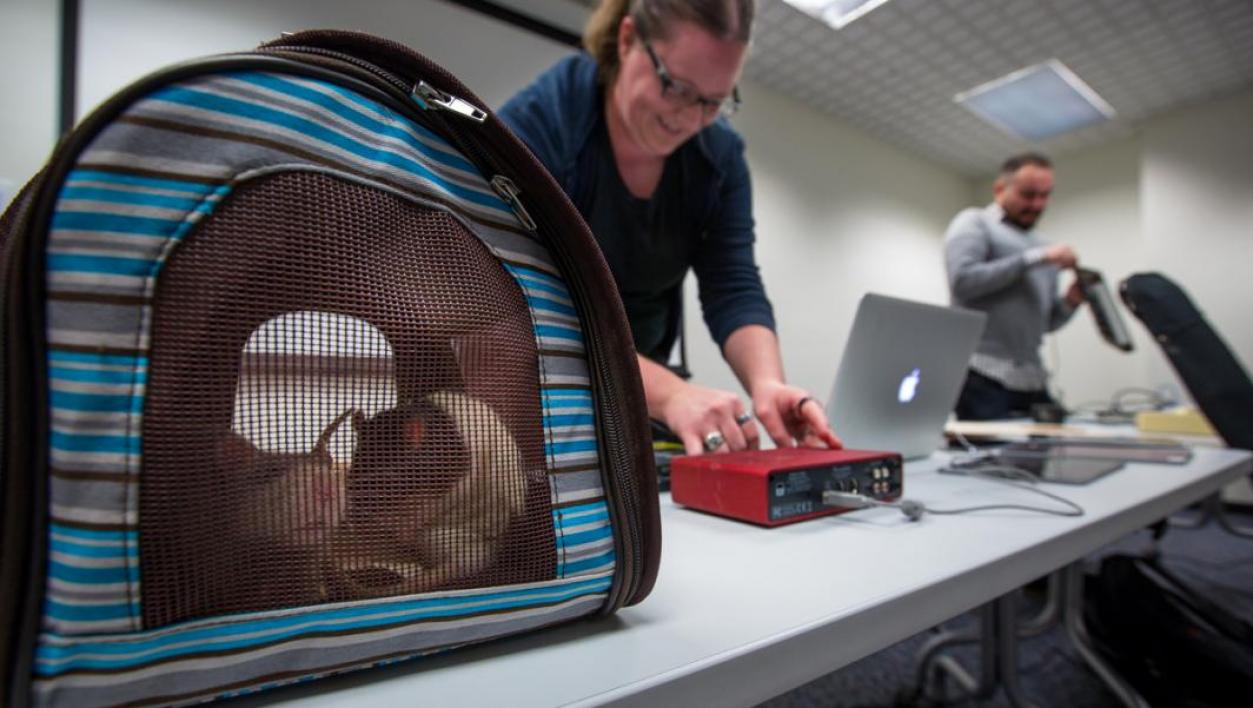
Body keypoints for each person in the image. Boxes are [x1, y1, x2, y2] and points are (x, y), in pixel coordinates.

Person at [499, 0, 840, 456]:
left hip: (636, 386)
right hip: (533, 380)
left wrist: (768, 384)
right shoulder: (545, 121)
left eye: (714, 101)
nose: (689, 118)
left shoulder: (718, 161)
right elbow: (519, 304)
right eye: (676, 87)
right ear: (626, 40)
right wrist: (671, 393)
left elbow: (732, 286)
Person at [945, 153, 1085, 420]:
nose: (1037, 204)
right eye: (1028, 194)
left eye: (1045, 195)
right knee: (986, 460)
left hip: (1032, 379)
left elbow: (1044, 324)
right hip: (982, 376)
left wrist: (1070, 302)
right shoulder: (975, 222)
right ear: (1000, 189)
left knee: (1049, 455)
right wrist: (1036, 258)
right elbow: (962, 282)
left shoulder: (1044, 245)